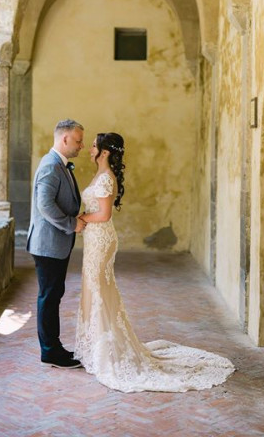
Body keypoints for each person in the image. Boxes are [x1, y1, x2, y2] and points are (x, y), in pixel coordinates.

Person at [75, 132, 235, 392]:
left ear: (105, 152)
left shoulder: (105, 178)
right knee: (96, 289)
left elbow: (103, 215)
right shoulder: (101, 174)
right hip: (95, 239)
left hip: (101, 239)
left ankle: (107, 351)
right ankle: (98, 346)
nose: (89, 148)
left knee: (99, 289)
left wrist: (81, 218)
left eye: (94, 145)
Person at [27, 119, 86, 369]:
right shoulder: (51, 166)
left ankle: (54, 348)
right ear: (65, 139)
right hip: (48, 244)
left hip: (55, 243)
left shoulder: (58, 164)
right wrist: (71, 224)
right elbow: (45, 205)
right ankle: (50, 352)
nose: (81, 145)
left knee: (53, 295)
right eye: (78, 141)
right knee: (49, 297)